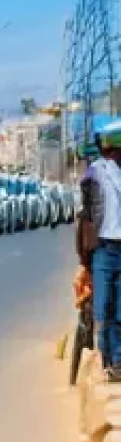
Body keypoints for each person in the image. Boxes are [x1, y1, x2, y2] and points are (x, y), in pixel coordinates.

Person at [77, 123, 121, 381]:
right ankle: (108, 357)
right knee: (103, 306)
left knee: (119, 309)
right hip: (103, 248)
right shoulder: (95, 173)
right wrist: (84, 257)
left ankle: (117, 361)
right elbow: (86, 213)